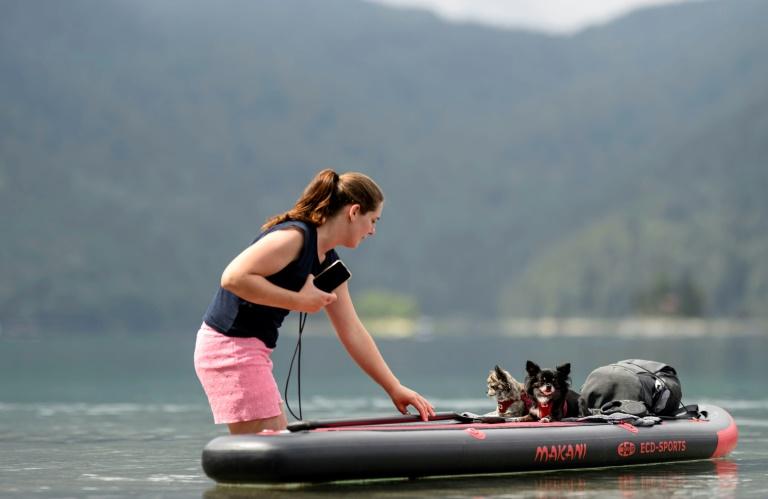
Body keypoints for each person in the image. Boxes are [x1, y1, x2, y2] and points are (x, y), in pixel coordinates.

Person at [194, 168, 435, 434]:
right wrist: (299, 300)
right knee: (273, 449)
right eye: (373, 220)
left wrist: (393, 387)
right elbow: (233, 278)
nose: (373, 231)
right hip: (230, 347)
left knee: (275, 445)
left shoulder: (329, 265)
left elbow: (352, 330)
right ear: (354, 212)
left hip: (249, 350)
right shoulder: (294, 237)